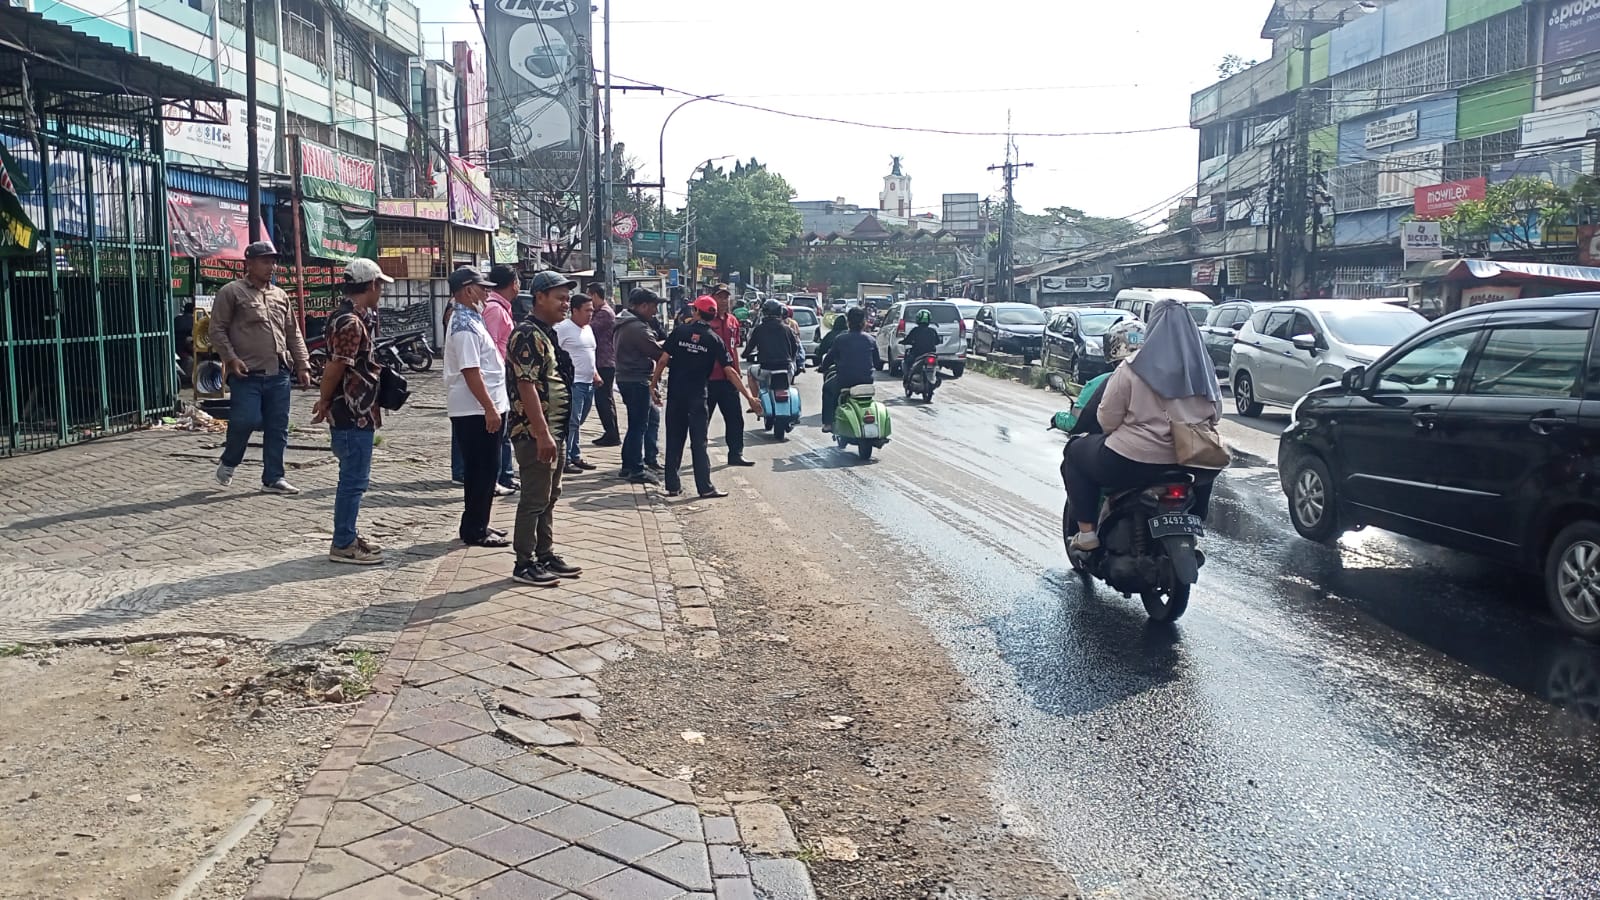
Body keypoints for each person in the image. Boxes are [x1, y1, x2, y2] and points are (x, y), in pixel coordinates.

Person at [1064, 299, 1223, 551]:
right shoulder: (1204, 369)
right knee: (1206, 473)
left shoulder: (1132, 366)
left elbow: (1107, 418)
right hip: (1190, 461)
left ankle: (1086, 534)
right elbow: (1216, 414)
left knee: (1074, 453)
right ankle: (1195, 521)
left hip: (1131, 461)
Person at [209, 241, 311, 494]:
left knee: (278, 426)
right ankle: (230, 460)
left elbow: (292, 332)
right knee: (246, 420)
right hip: (247, 375)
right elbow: (216, 329)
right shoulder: (232, 292)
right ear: (249, 264)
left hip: (279, 373)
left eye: (273, 261)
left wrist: (303, 365)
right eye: (265, 261)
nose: (271, 266)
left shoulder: (280, 295)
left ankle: (273, 478)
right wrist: (231, 358)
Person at [311, 258, 393, 565]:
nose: (381, 291)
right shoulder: (350, 322)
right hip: (351, 411)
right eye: (380, 285)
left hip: (356, 409)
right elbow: (336, 366)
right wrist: (324, 400)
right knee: (353, 480)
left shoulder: (351, 317)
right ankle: (343, 542)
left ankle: (347, 534)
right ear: (371, 285)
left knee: (354, 479)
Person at [507, 271, 582, 586]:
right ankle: (524, 562)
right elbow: (526, 386)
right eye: (560, 298)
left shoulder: (546, 332)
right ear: (539, 297)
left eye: (567, 298)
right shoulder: (527, 334)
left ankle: (545, 552)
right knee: (534, 498)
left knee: (550, 496)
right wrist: (542, 433)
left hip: (553, 431)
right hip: (535, 432)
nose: (566, 304)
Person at [650, 296, 760, 498]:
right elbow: (730, 372)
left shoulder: (680, 332)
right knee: (699, 442)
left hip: (676, 396)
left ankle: (672, 486)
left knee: (674, 440)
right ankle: (705, 488)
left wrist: (653, 385)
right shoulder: (714, 339)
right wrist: (749, 397)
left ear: (696, 312)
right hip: (698, 397)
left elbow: (663, 360)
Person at [443, 266, 511, 548]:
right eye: (482, 287)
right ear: (468, 289)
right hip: (475, 409)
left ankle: (479, 521)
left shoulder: (473, 319)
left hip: (484, 405)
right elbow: (471, 371)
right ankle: (475, 529)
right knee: (481, 469)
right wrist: (489, 408)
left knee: (486, 469)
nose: (487, 292)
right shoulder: (463, 325)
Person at [1053, 319, 1144, 436]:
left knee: (1075, 448)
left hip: (1122, 445)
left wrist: (1057, 419)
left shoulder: (1104, 382)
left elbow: (1076, 423)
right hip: (1162, 447)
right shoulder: (1165, 381)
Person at [614, 288, 665, 484]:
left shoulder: (625, 321)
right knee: (638, 426)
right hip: (636, 379)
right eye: (653, 307)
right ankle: (635, 468)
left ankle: (629, 465)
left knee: (640, 422)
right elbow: (656, 353)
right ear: (643, 306)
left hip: (627, 377)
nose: (655, 312)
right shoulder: (637, 327)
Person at [704, 291, 752, 468]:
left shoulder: (733, 321)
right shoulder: (706, 320)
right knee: (703, 421)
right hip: (708, 378)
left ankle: (736, 454)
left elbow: (734, 351)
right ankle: (700, 457)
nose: (724, 301)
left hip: (729, 378)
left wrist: (737, 372)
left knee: (735, 419)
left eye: (726, 297)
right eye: (720, 297)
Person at [556, 292, 601, 473]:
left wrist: (595, 373)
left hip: (588, 382)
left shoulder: (588, 329)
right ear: (574, 310)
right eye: (586, 310)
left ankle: (574, 454)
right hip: (573, 383)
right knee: (571, 421)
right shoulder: (563, 328)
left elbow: (590, 353)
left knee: (579, 421)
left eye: (592, 310)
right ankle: (565, 458)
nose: (590, 314)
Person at [818, 307, 881, 433]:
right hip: (866, 381)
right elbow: (878, 365)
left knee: (827, 388)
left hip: (844, 380)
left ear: (848, 322)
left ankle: (828, 423)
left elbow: (829, 359)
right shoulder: (871, 340)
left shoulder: (840, 339)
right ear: (864, 322)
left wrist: (822, 368)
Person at [586, 283, 622, 447]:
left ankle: (612, 433)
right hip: (601, 360)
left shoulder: (605, 313)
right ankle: (610, 432)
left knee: (603, 399)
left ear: (594, 295)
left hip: (604, 361)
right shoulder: (600, 312)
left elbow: (588, 329)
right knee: (604, 399)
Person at [742, 300, 800, 399]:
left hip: (765, 368)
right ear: (780, 312)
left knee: (750, 372)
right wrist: (791, 359)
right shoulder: (787, 329)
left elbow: (749, 348)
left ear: (764, 312)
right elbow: (795, 348)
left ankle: (756, 403)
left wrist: (744, 355)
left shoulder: (759, 329)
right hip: (786, 369)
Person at [899, 308, 943, 390]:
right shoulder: (932, 331)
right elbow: (937, 341)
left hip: (917, 354)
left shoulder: (915, 330)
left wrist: (903, 342)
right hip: (931, 354)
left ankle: (907, 378)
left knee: (907, 362)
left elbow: (908, 340)